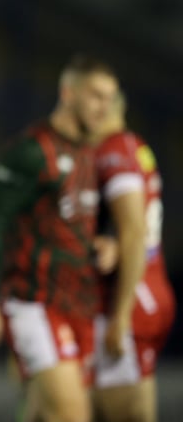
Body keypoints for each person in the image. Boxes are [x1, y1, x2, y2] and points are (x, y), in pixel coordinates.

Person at [0, 54, 119, 422]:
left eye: (110, 98)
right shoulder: (32, 151)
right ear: (68, 93)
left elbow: (88, 218)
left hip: (79, 303)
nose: (105, 106)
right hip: (34, 303)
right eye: (96, 95)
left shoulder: (94, 152)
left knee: (42, 412)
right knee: (72, 415)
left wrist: (108, 239)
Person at [90, 92, 176, 422]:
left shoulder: (114, 151)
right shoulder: (137, 147)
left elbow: (134, 231)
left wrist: (121, 314)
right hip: (151, 285)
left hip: (129, 297)